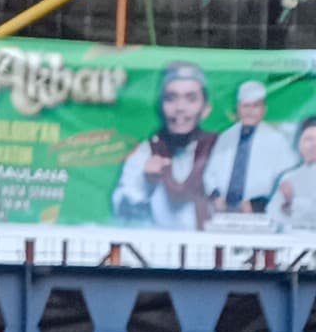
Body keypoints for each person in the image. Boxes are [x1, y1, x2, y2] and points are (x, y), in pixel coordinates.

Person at [110, 62, 216, 235]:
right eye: (171, 98)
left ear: (205, 109)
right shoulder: (145, 152)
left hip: (213, 251)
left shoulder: (220, 150)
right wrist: (146, 183)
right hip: (160, 252)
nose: (180, 108)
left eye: (190, 99)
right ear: (160, 106)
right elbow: (121, 214)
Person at [201, 77, 298, 225]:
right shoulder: (225, 137)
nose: (250, 111)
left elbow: (288, 180)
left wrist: (258, 204)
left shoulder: (278, 141)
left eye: (255, 106)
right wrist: (215, 196)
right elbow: (210, 174)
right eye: (245, 106)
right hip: (223, 215)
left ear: (264, 109)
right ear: (238, 108)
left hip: (261, 215)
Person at [265, 110, 316, 231]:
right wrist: (287, 205)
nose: (314, 145)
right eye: (308, 139)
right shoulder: (289, 177)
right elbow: (272, 214)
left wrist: (292, 202)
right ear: (299, 144)